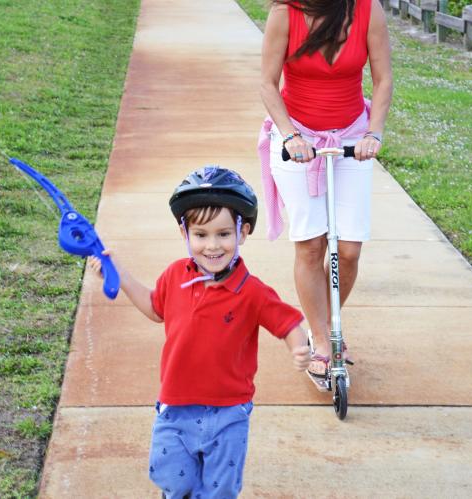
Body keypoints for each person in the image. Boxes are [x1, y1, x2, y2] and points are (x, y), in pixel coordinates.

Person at [90, 166, 311, 498]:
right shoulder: (175, 275)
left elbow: (287, 322)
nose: (212, 246)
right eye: (201, 234)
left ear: (243, 232)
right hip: (176, 407)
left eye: (224, 234)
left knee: (219, 490)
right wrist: (119, 274)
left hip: (229, 412)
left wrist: (299, 347)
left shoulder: (252, 291)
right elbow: (154, 308)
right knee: (173, 482)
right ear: (185, 233)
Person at [258, 0, 393, 381]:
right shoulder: (285, 13)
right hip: (297, 139)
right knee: (312, 244)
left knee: (348, 250)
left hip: (351, 137)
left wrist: (374, 132)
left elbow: (383, 79)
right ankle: (323, 339)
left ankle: (329, 320)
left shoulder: (368, 10)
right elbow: (267, 83)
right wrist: (290, 135)